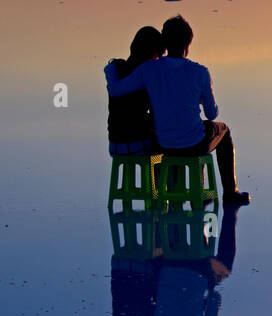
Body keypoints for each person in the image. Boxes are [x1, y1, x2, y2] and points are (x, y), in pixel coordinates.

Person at [104, 15, 251, 206]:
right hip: (193, 144)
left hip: (163, 145)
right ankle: (230, 192)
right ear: (188, 45)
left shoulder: (148, 69)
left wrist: (110, 68)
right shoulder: (200, 72)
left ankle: (170, 196)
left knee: (170, 133)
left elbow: (116, 90)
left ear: (164, 43)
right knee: (223, 130)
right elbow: (211, 114)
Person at [106, 26, 163, 156]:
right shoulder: (146, 75)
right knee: (164, 152)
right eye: (157, 56)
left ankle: (155, 176)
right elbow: (156, 113)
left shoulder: (117, 69)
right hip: (138, 145)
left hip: (114, 146)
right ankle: (158, 176)